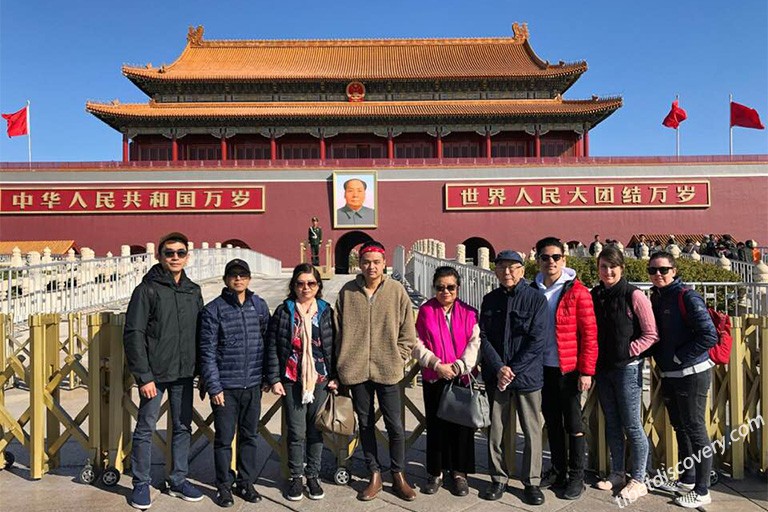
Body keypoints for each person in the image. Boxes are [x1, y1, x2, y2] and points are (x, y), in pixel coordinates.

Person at [123, 232, 204, 510]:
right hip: (155, 375)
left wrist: (201, 370)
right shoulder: (147, 289)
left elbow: (201, 333)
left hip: (184, 371)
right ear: (159, 255)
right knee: (146, 427)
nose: (175, 257)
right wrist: (143, 376)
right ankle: (141, 483)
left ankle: (178, 479)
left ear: (187, 256)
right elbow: (134, 333)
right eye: (169, 253)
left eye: (180, 253)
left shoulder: (193, 290)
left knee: (183, 427)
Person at [335, 240, 417, 501]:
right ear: (359, 264)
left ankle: (398, 473)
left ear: (384, 264)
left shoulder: (396, 291)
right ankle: (374, 473)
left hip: (388, 369)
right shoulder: (347, 292)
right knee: (366, 423)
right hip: (356, 369)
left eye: (376, 262)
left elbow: (408, 331)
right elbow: (337, 332)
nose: (371, 266)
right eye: (366, 262)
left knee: (395, 425)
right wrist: (341, 363)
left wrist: (398, 357)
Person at [647, 252, 718, 509]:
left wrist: (679, 357)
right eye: (652, 270)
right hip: (670, 375)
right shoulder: (657, 297)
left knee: (696, 429)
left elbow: (709, 335)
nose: (658, 275)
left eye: (663, 270)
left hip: (691, 374)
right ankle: (688, 479)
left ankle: (702, 489)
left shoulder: (686, 296)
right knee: (681, 428)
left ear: (674, 270)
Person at [198, 258, 270, 507]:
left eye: (243, 275)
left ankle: (246, 483)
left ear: (249, 278)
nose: (238, 279)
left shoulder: (258, 306)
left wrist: (267, 378)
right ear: (226, 279)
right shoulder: (213, 310)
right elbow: (206, 352)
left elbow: (266, 342)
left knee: (250, 436)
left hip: (252, 385)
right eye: (233, 275)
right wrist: (214, 386)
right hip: (226, 388)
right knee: (224, 439)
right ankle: (224, 486)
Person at [479, 250, 548, 505]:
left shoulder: (535, 300)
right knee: (496, 429)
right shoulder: (490, 300)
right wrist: (499, 367)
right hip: (497, 376)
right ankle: (498, 477)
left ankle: (531, 481)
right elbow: (483, 337)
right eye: (502, 267)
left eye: (512, 268)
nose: (507, 272)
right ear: (495, 270)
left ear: (522, 270)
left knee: (531, 431)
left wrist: (513, 369)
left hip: (527, 376)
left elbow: (537, 340)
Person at [532, 237, 597, 500]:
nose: (551, 262)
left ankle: (576, 476)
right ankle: (558, 470)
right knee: (552, 422)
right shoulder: (532, 289)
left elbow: (590, 334)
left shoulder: (577, 291)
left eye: (556, 257)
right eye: (545, 257)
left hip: (568, 368)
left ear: (564, 259)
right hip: (541, 368)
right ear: (537, 260)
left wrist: (586, 371)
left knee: (573, 423)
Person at [591, 246, 659, 501]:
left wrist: (629, 350)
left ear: (621, 268)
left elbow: (651, 333)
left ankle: (639, 479)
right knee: (612, 422)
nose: (608, 271)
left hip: (627, 368)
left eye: (612, 267)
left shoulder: (634, 295)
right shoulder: (596, 294)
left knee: (631, 423)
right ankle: (617, 472)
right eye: (603, 266)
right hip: (603, 367)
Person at [265, 263, 337, 502]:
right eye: (300, 283)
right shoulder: (284, 311)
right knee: (296, 432)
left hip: (320, 378)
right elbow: (274, 346)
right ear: (293, 286)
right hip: (291, 378)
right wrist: (274, 378)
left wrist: (335, 376)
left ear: (318, 286)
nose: (306, 288)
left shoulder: (327, 311)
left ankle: (313, 475)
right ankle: (296, 477)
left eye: (311, 283)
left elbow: (334, 345)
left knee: (316, 430)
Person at [411, 266, 480, 497]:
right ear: (434, 288)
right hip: (435, 376)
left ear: (458, 288)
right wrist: (436, 365)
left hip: (460, 377)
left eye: (450, 287)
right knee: (436, 426)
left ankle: (460, 473)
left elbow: (475, 343)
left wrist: (459, 366)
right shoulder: (426, 311)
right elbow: (416, 342)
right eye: (440, 287)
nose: (445, 292)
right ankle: (436, 472)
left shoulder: (469, 312)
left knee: (462, 428)